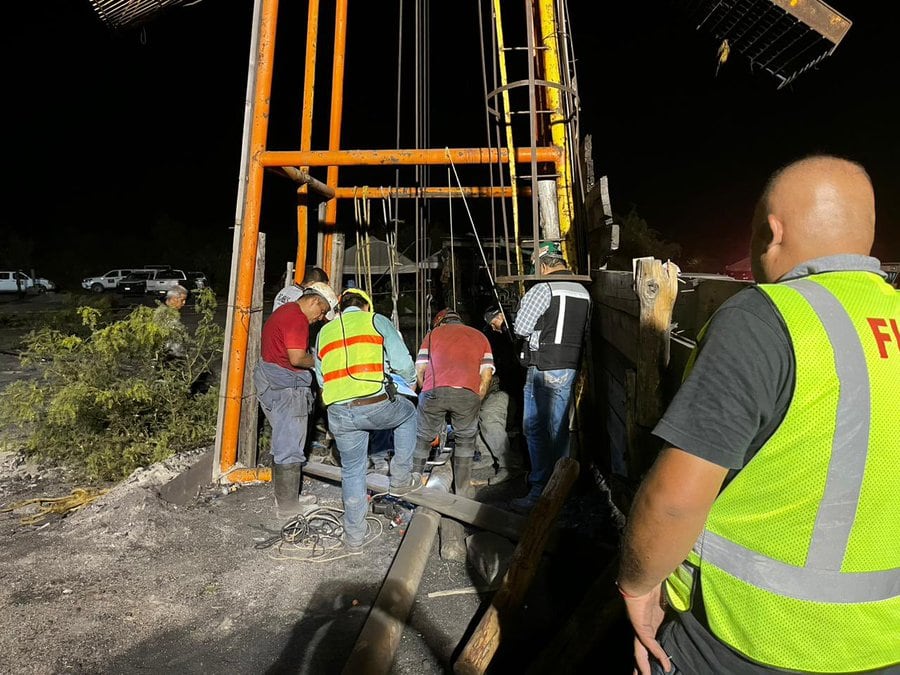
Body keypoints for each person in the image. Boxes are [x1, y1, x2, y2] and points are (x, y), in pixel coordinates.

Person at [617, 155, 900, 675]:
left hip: (748, 640)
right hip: (886, 642)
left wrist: (638, 585)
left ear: (771, 232)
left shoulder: (765, 319)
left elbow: (675, 503)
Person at [314, 288, 420, 548]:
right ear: (366, 306)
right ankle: (401, 480)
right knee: (407, 415)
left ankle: (354, 538)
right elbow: (404, 363)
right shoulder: (376, 321)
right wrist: (410, 385)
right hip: (374, 404)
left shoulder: (323, 332)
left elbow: (321, 378)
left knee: (352, 471)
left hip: (338, 412)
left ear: (339, 308)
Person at [510, 241, 591, 512]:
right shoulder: (583, 291)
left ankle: (539, 491)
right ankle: (562, 492)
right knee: (558, 430)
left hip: (543, 367)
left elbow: (521, 328)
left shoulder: (542, 289)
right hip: (569, 367)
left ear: (544, 265)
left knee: (534, 428)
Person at [254, 281, 338, 519]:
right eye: (321, 311)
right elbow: (297, 358)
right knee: (290, 446)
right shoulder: (297, 319)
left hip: (272, 382)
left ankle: (286, 497)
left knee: (282, 440)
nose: (320, 317)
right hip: (288, 389)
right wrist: (323, 360)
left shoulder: (284, 311)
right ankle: (288, 508)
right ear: (313, 301)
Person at [414, 308, 494, 498]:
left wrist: (424, 392)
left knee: (423, 437)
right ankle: (463, 491)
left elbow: (420, 368)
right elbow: (486, 374)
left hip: (434, 391)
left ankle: (414, 483)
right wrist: (477, 398)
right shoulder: (480, 336)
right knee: (466, 438)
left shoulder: (433, 334)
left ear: (440, 322)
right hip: (467, 393)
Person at [476, 306, 523, 485]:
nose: (494, 327)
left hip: (507, 388)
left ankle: (510, 466)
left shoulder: (512, 334)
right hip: (498, 385)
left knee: (489, 417)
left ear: (501, 316)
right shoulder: (494, 336)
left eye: (494, 322)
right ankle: (489, 456)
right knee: (474, 413)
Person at [153, 284, 190, 358]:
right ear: (173, 299)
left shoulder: (172, 312)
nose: (184, 303)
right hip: (169, 357)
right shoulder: (164, 314)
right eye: (182, 300)